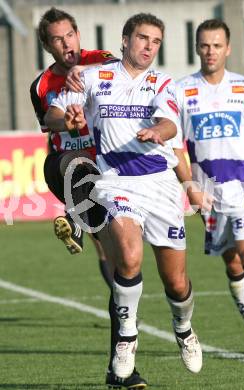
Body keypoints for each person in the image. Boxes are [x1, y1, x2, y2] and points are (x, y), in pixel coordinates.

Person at [44, 12, 203, 380]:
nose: (149, 47)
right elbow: (52, 115)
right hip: (116, 182)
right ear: (125, 40)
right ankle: (126, 338)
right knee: (128, 257)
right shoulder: (92, 76)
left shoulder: (163, 82)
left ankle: (184, 329)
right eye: (143, 38)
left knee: (176, 283)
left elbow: (170, 123)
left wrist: (158, 132)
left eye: (156, 42)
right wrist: (65, 119)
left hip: (159, 184)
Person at [30, 7, 147, 388]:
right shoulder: (43, 85)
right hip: (71, 171)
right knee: (72, 163)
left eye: (70, 36)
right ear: (47, 46)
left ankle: (120, 370)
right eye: (57, 40)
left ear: (79, 34)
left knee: (122, 276)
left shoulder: (104, 62)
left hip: (115, 179)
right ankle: (77, 224)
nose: (67, 45)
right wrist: (67, 119)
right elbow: (48, 118)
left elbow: (131, 85)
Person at [175, 18, 244, 359]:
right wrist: (190, 187)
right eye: (205, 45)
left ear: (229, 49)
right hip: (209, 196)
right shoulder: (181, 91)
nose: (211, 51)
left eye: (217, 45)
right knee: (233, 265)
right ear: (197, 48)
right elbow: (174, 147)